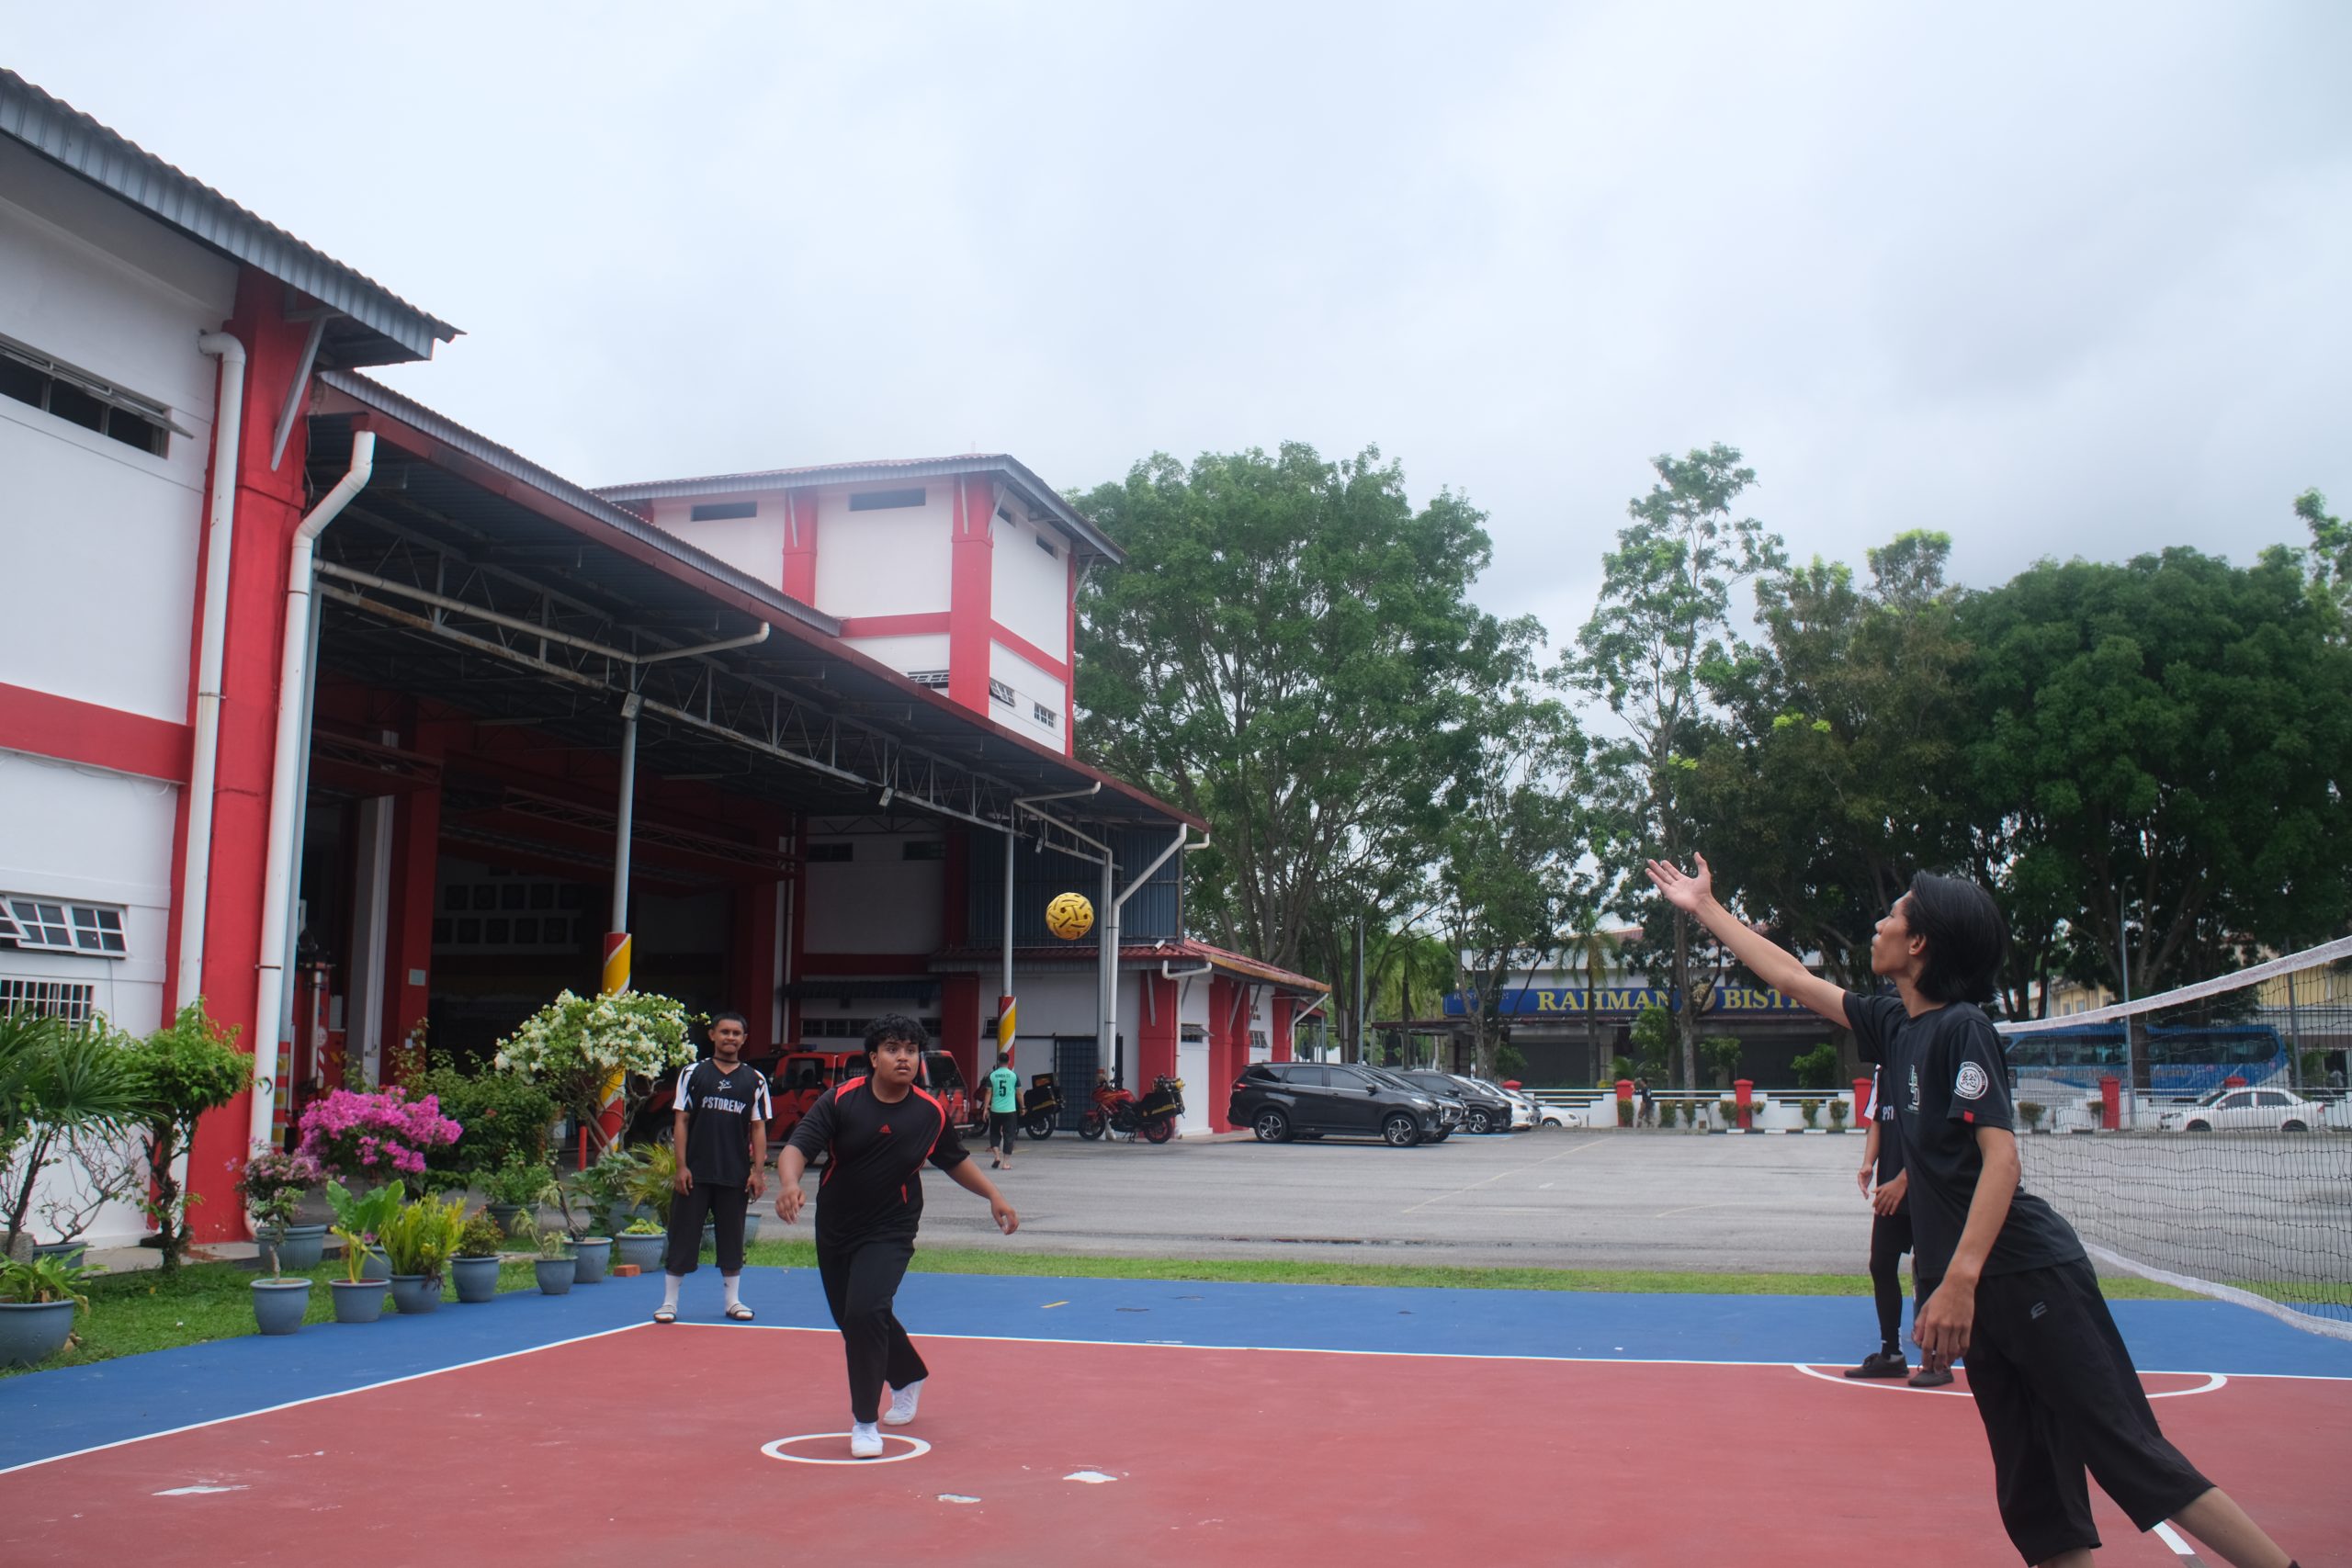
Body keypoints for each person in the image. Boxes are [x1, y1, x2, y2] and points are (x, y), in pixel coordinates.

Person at [1647, 854, 2301, 1568]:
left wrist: (1957, 1280)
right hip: (1978, 1291)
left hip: (2027, 1273)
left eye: (1893, 914)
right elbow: (1792, 977)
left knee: (2133, 1457)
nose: (1879, 924)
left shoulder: (1964, 1028)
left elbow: (2002, 1160)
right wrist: (1705, 907)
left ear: (1919, 942)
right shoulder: (1897, 1024)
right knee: (2037, 1499)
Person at [775, 1013, 1017, 1457]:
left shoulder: (929, 1112)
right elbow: (797, 1147)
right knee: (851, 1317)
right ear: (873, 1057)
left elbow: (953, 1159)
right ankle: (907, 1373)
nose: (903, 1057)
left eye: (910, 1050)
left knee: (866, 1310)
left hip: (892, 1227)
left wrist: (994, 1196)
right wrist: (790, 1184)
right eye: (892, 1049)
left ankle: (865, 1423)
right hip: (836, 1226)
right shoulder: (841, 1100)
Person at [655, 1010, 769, 1325]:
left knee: (732, 1237)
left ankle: (733, 1301)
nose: (730, 1037)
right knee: (683, 1235)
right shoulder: (693, 1073)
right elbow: (681, 1120)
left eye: (736, 1033)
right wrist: (681, 1166)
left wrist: (757, 1172)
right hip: (696, 1172)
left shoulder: (755, 1080)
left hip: (734, 1174)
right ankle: (669, 1302)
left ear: (744, 1039)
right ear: (713, 1035)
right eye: (725, 1032)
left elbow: (758, 1127)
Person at [1844, 1066, 1950, 1388]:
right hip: (1890, 1188)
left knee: (1930, 1271)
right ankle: (1891, 1354)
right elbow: (1879, 1118)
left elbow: (1937, 1131)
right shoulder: (1883, 1068)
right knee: (1881, 1264)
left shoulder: (1923, 1059)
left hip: (1927, 1188)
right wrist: (1868, 1163)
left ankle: (1938, 1360)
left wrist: (1905, 1179)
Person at [986, 1050, 1021, 1170]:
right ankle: (1005, 1163)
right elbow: (1019, 1093)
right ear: (1009, 1061)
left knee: (995, 1133)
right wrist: (1023, 1106)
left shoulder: (992, 1075)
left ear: (998, 1061)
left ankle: (997, 1156)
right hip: (1010, 1110)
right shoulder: (1014, 1075)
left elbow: (988, 1092)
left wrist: (985, 1109)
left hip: (996, 1110)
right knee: (1009, 1135)